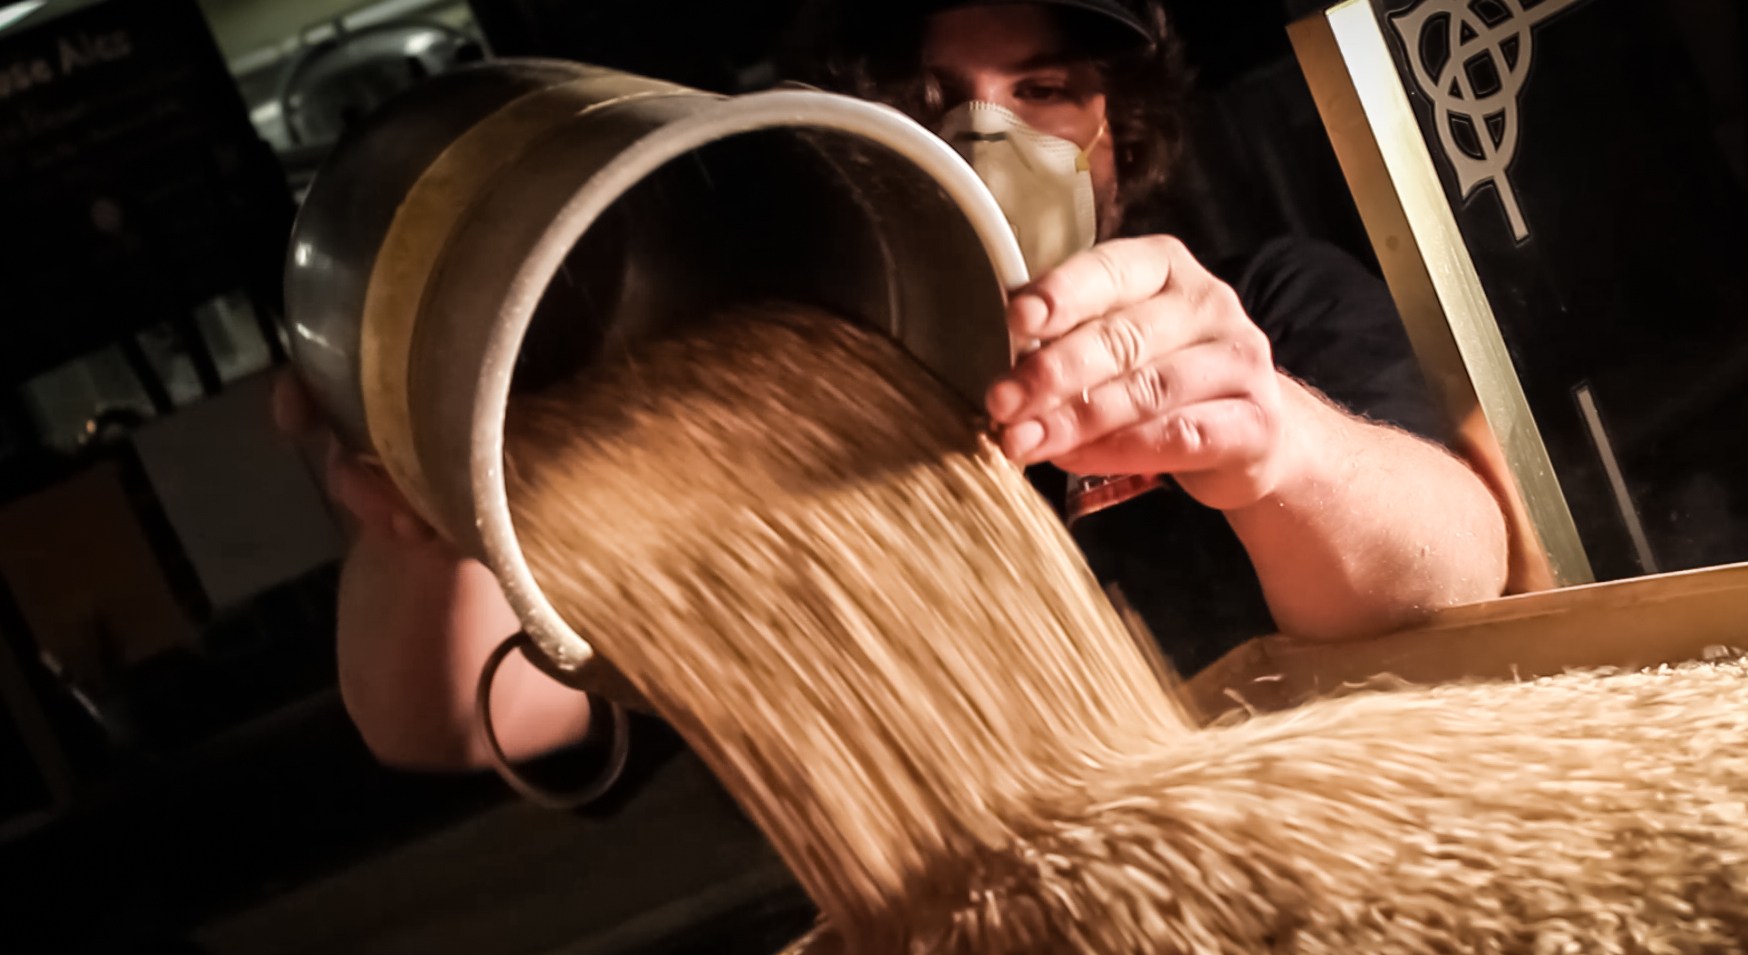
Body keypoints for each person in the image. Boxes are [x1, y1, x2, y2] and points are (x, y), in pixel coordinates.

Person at [275, 0, 1510, 773]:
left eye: (1042, 91)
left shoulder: (1262, 310)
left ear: (1118, 131)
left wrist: (1277, 446)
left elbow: (1459, 573)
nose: (985, 136)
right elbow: (458, 723)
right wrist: (419, 522)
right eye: (930, 100)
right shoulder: (762, 431)